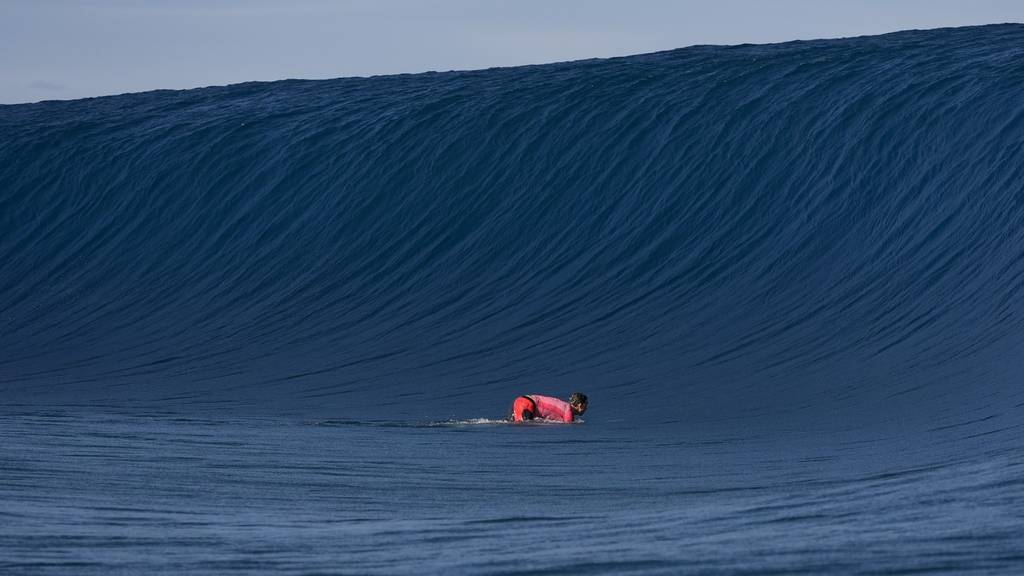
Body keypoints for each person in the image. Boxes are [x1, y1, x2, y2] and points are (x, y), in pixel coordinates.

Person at [510, 392, 588, 423]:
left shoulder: (565, 406)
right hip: (528, 404)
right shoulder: (568, 411)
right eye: (586, 405)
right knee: (525, 425)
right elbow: (568, 424)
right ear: (580, 405)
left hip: (521, 401)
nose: (586, 408)